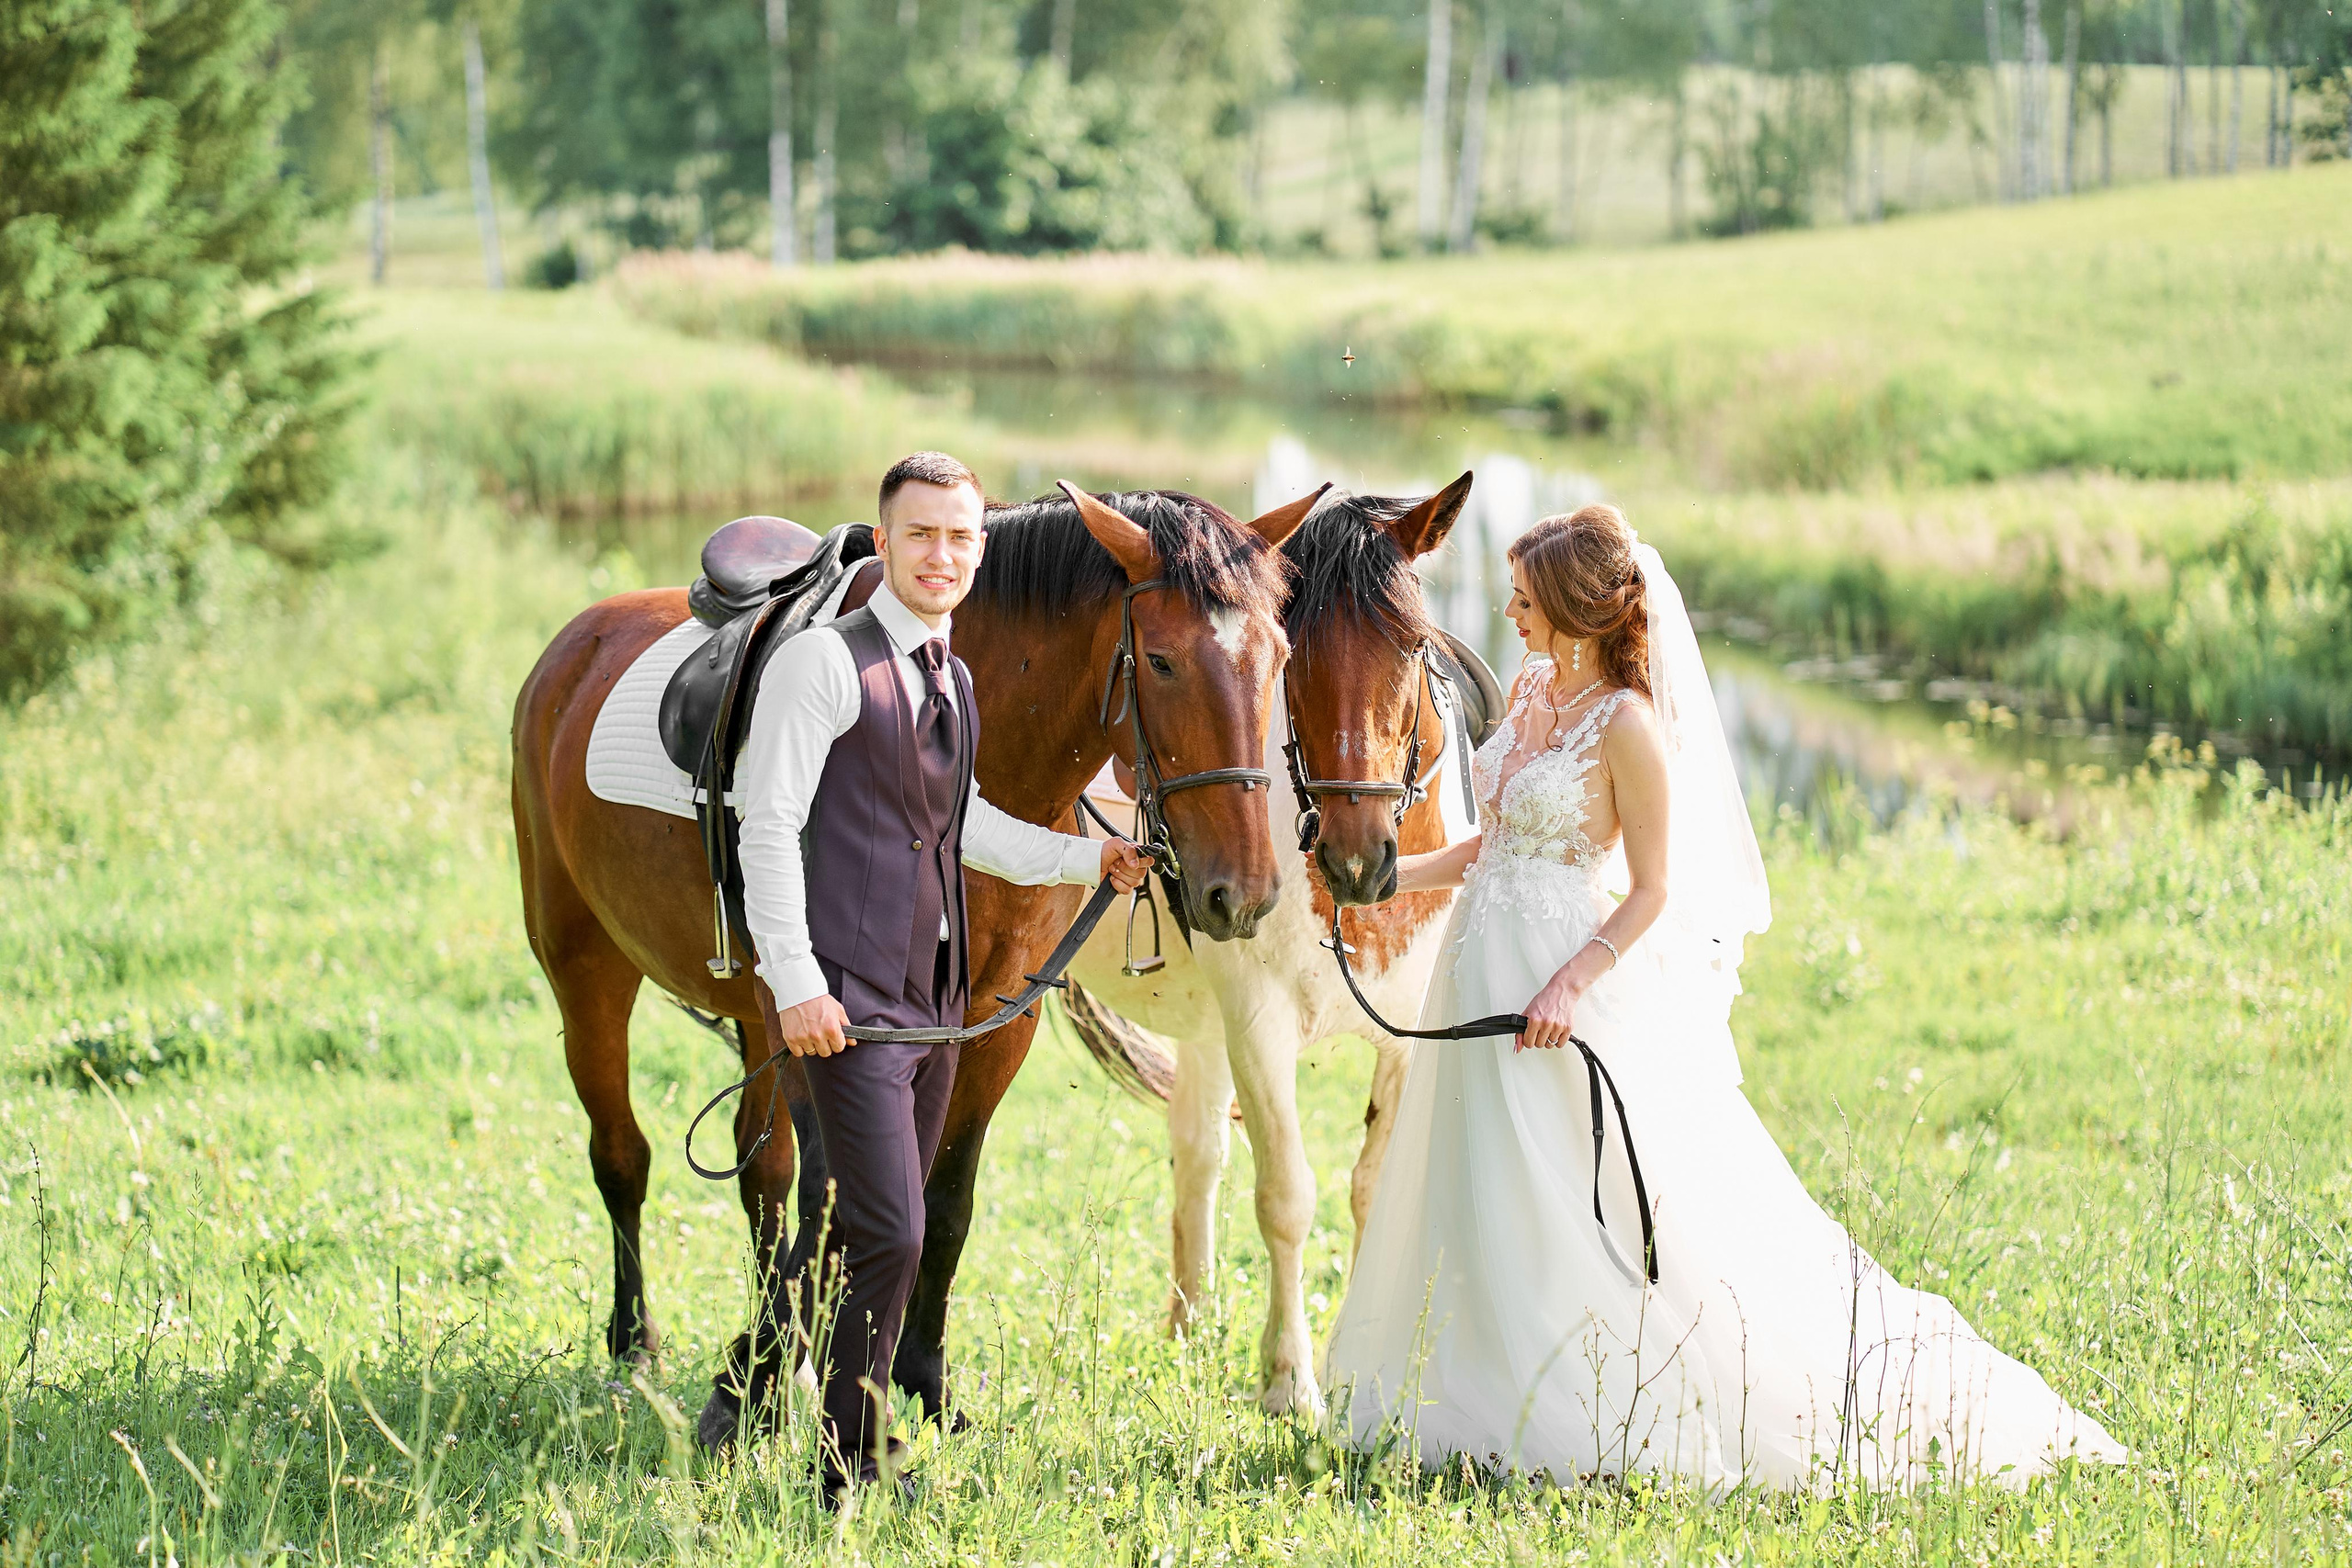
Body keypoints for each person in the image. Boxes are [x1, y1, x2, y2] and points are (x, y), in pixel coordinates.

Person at [1320, 504, 2127, 1491]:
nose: (1510, 611)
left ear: (1575, 608)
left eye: (1526, 598)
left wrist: (1571, 982)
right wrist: (1387, 879)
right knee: (1481, 1172)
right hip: (1476, 964)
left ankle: (1591, 1394)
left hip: (1556, 983)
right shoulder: (1530, 690)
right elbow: (1491, 845)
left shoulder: (1627, 727)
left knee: (1582, 1191)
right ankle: (1477, 1384)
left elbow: (1652, 889)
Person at [723, 451, 1152, 1503]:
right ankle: (851, 1460)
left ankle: (759, 1399)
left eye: (961, 537)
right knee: (897, 1229)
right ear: (884, 544)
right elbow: (765, 824)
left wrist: (1084, 858)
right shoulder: (823, 667)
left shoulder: (950, 677)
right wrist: (794, 983)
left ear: (979, 552)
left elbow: (965, 825)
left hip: (931, 1000)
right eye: (921, 534)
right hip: (846, 995)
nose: (943, 555)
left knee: (878, 1223)